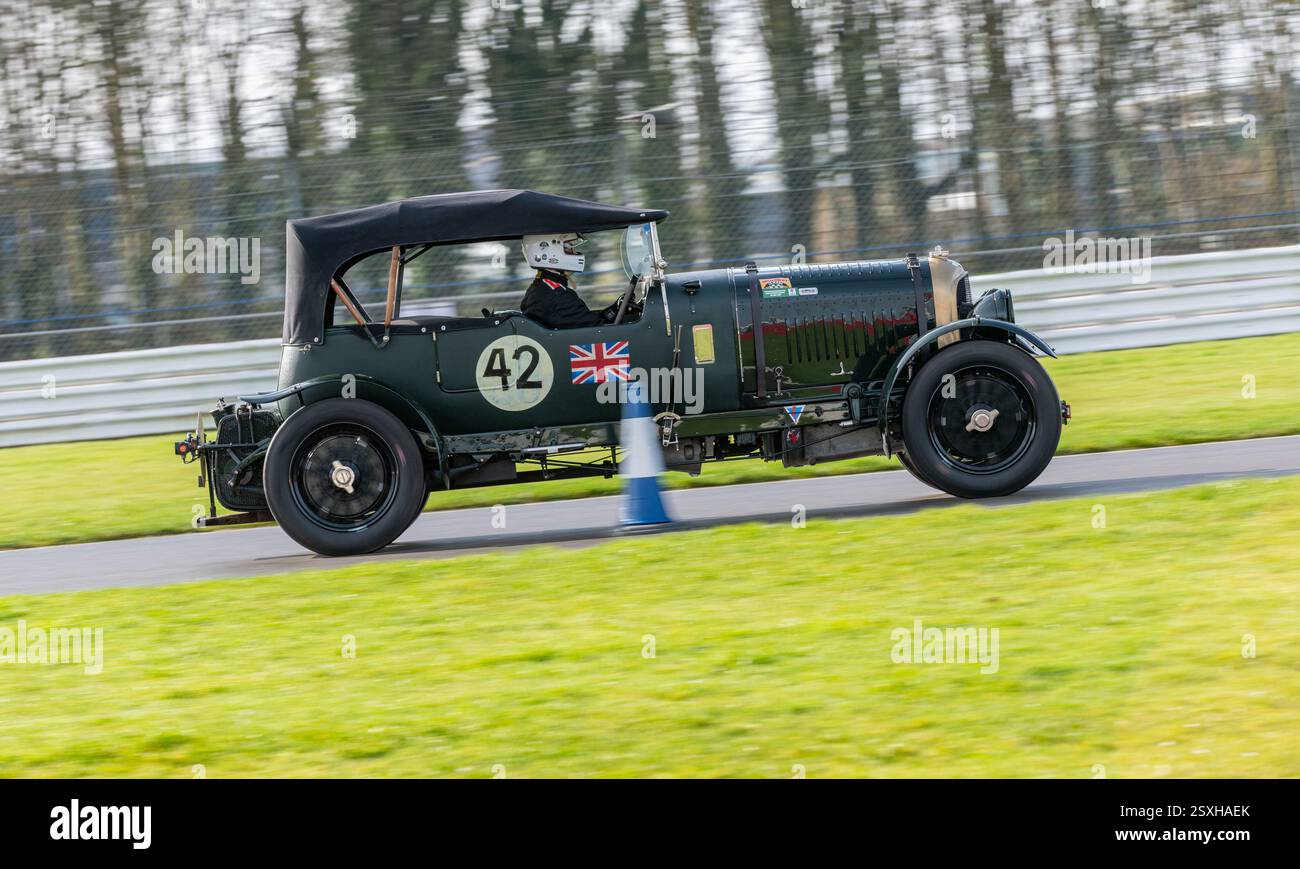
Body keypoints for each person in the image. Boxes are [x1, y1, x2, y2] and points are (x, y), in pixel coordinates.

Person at [519, 232, 637, 328]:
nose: (575, 253)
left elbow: (587, 320)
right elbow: (598, 331)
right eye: (569, 248)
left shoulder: (542, 288)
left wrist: (615, 310)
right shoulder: (557, 295)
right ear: (549, 252)